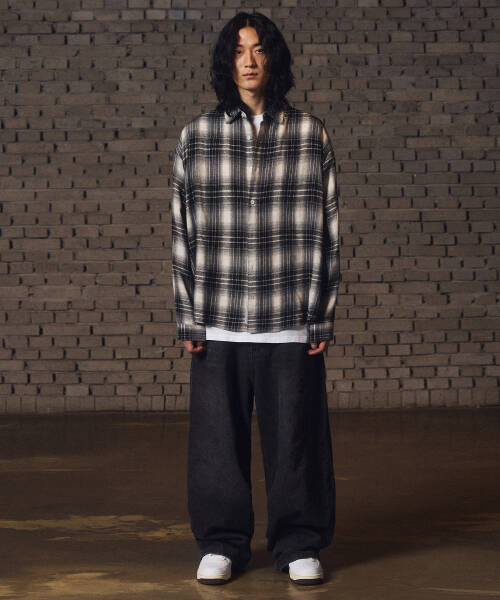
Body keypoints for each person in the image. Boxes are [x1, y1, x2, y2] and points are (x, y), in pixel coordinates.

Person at [171, 10, 340, 587]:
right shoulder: (197, 137)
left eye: (259, 49)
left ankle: (299, 542)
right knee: (217, 444)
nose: (249, 61)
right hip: (218, 317)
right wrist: (188, 316)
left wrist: (321, 316)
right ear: (227, 62)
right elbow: (182, 231)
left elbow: (328, 228)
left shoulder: (310, 134)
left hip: (289, 315)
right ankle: (221, 542)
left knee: (296, 439)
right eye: (239, 51)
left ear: (274, 59)